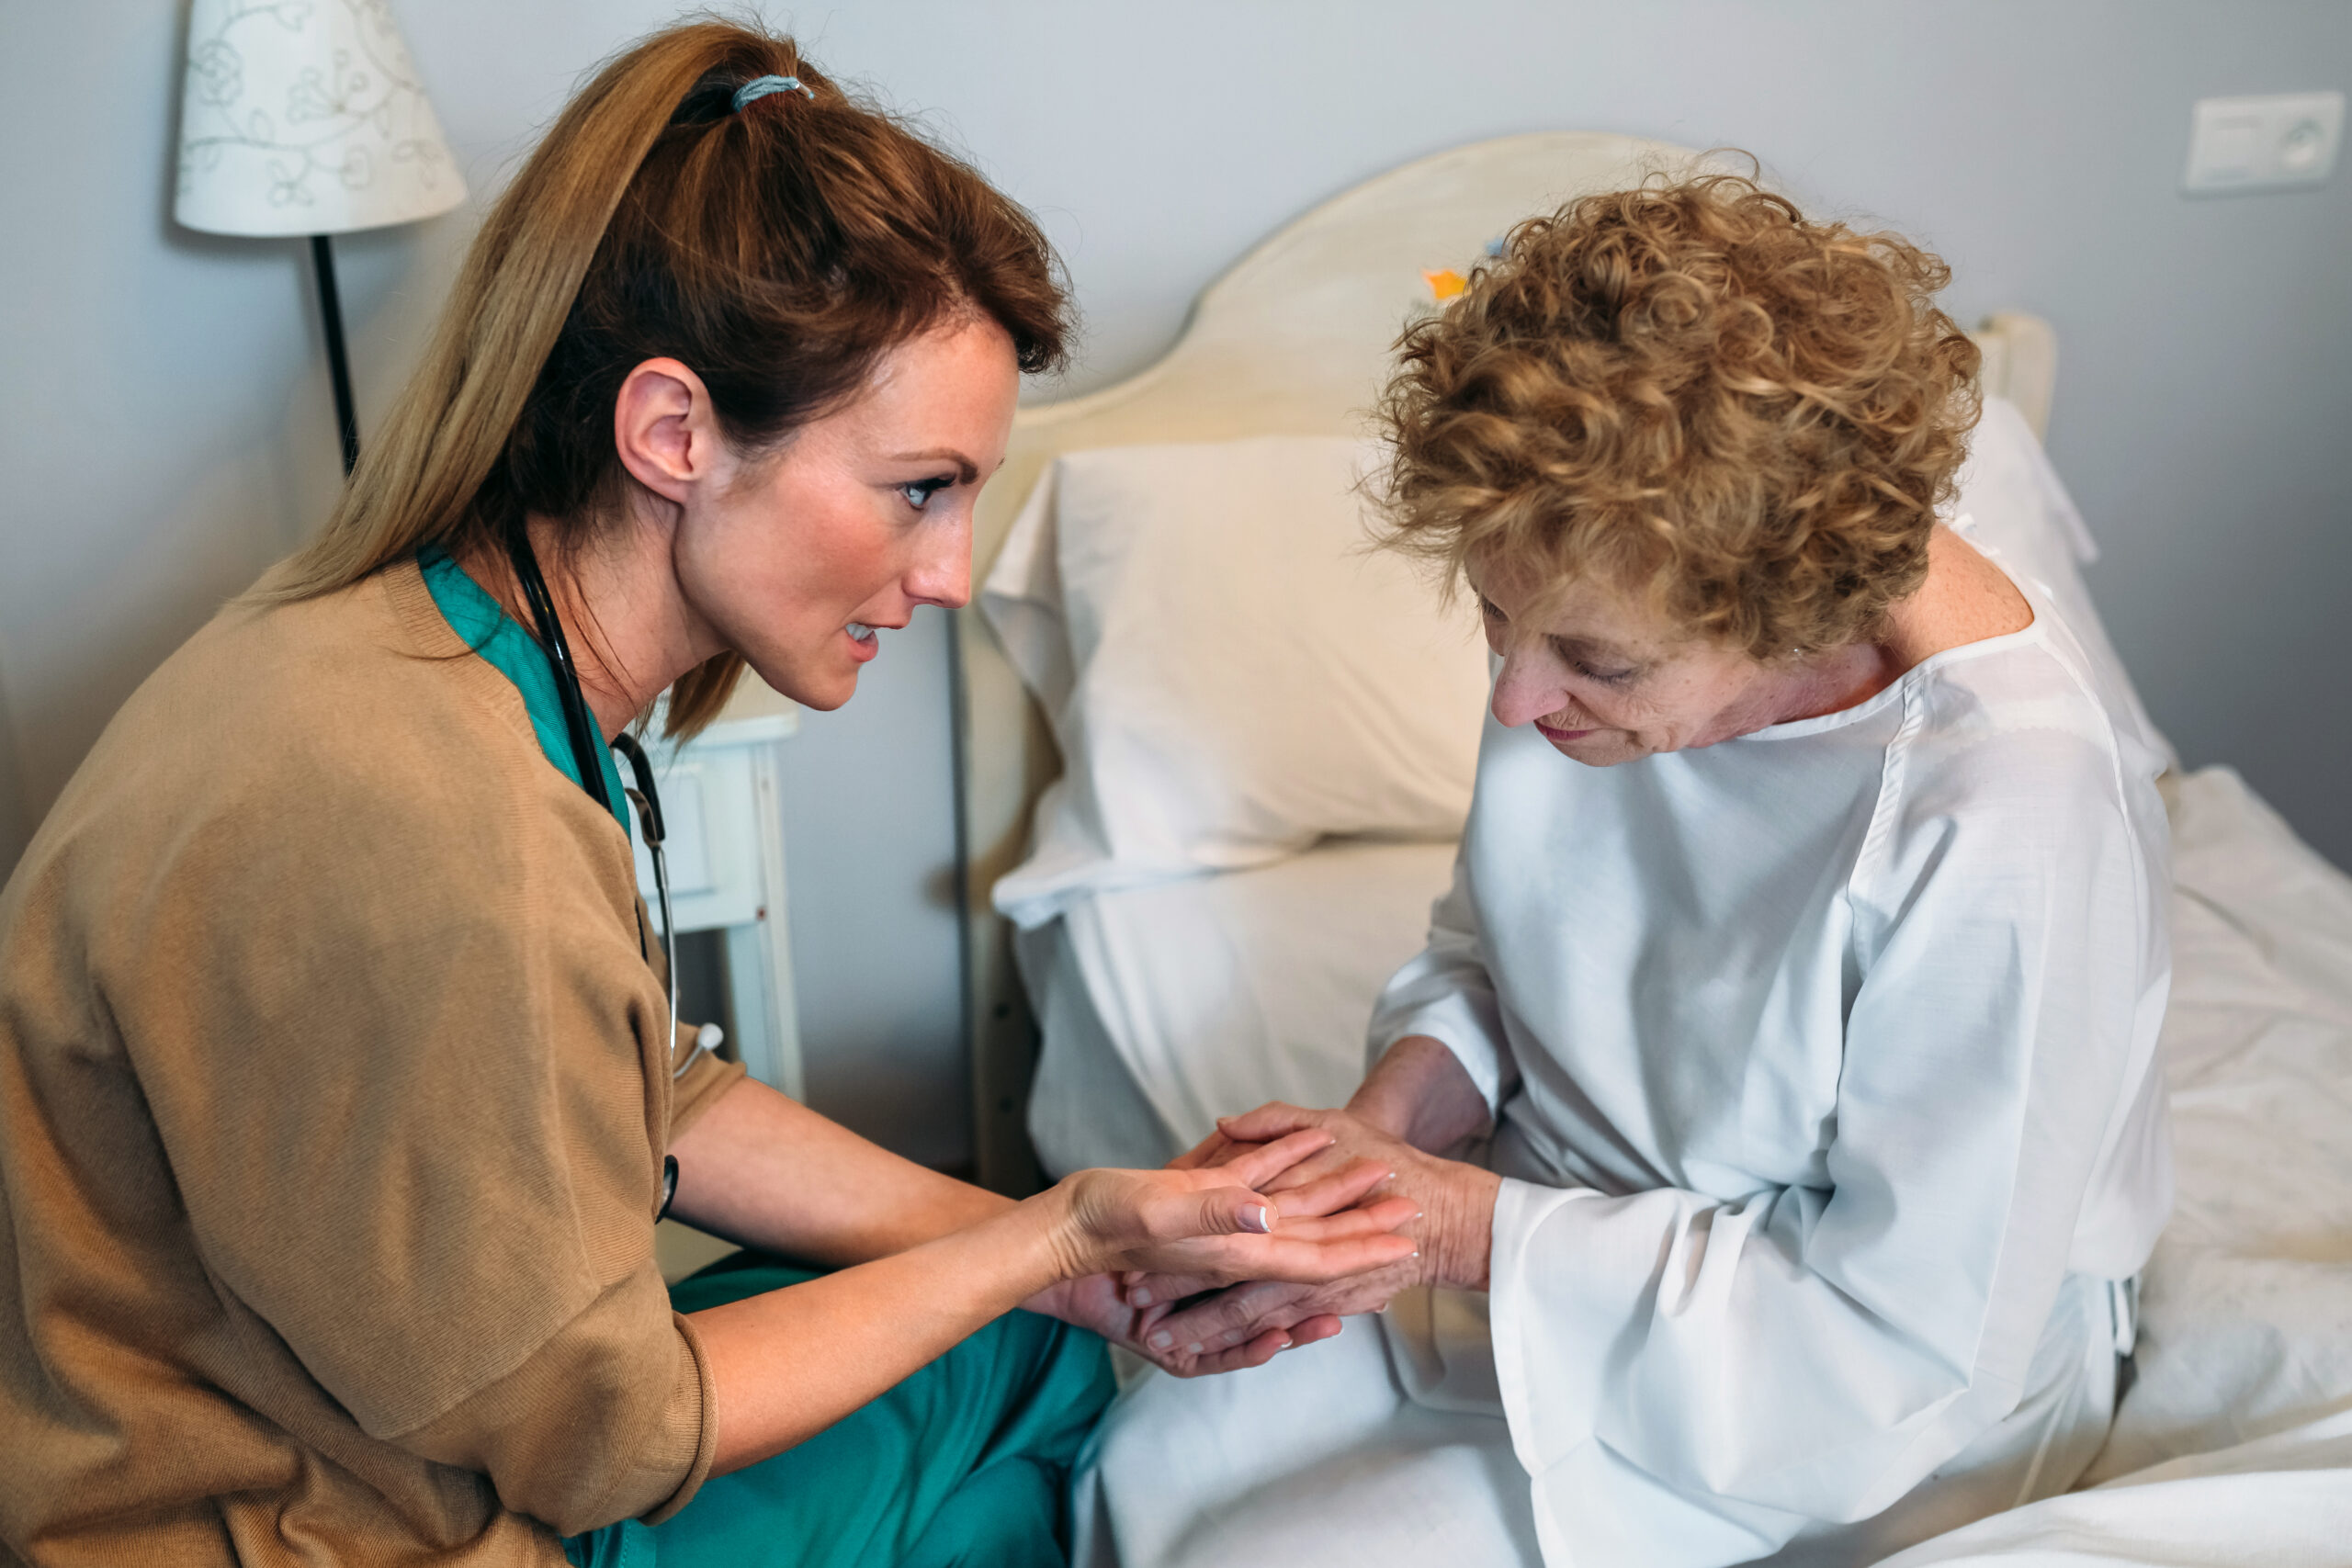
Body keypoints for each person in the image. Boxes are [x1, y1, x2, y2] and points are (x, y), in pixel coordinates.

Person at [0, 24, 1418, 1568]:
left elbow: (649, 1098)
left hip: (338, 1436)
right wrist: (1055, 1235)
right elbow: (603, 1438)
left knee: (1004, 1343)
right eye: (918, 487)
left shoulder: (398, 656)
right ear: (674, 433)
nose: (948, 574)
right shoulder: (431, 826)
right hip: (314, 1528)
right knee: (1031, 1391)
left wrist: (1061, 1252)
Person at [1081, 173, 2174, 1568]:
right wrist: (1379, 1140)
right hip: (1554, 1241)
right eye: (1493, 619)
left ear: (1798, 611)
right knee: (1155, 1465)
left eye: (1596, 664)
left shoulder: (2007, 815)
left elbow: (1898, 1353)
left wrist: (1455, 1230)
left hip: (1823, 1393)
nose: (1518, 705)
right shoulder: (1595, 584)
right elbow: (1505, 943)